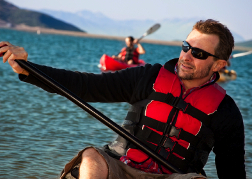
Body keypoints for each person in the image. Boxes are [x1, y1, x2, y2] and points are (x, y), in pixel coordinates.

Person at [0, 19, 246, 179]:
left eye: (199, 53)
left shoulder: (226, 112)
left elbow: (232, 172)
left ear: (219, 65)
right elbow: (84, 85)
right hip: (121, 167)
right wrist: (27, 68)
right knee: (91, 158)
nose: (187, 56)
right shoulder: (147, 77)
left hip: (175, 176)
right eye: (185, 46)